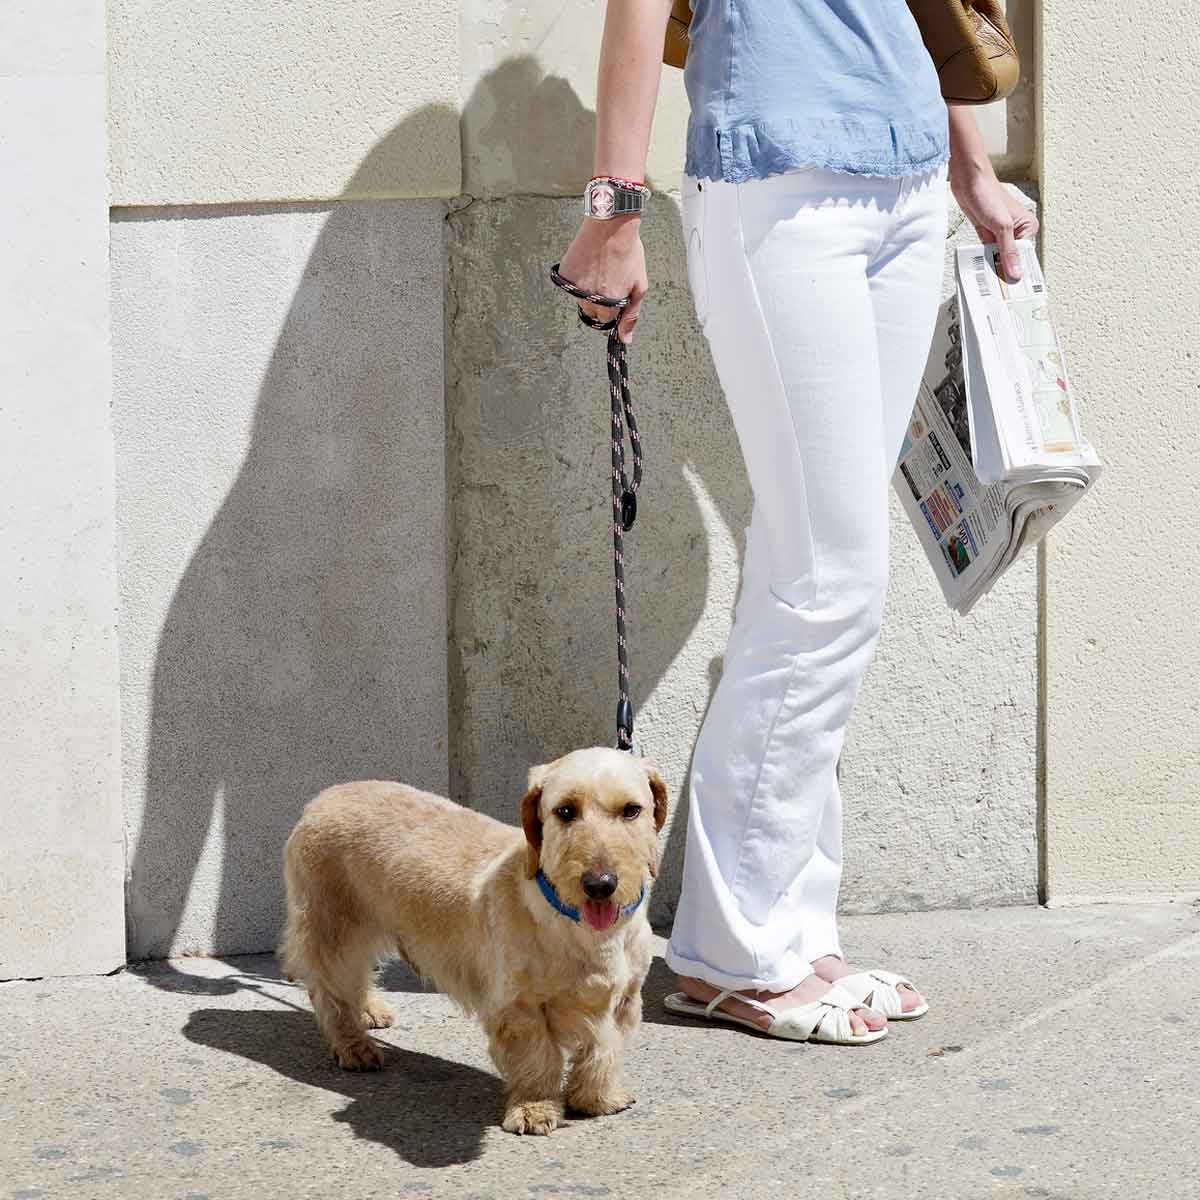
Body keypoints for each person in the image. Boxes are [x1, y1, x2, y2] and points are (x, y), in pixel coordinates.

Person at [556, 0, 1037, 1043]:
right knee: (829, 583)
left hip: (906, 184)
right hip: (776, 183)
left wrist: (971, 169)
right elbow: (636, 11)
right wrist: (615, 212)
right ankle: (735, 951)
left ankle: (795, 931)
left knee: (805, 574)